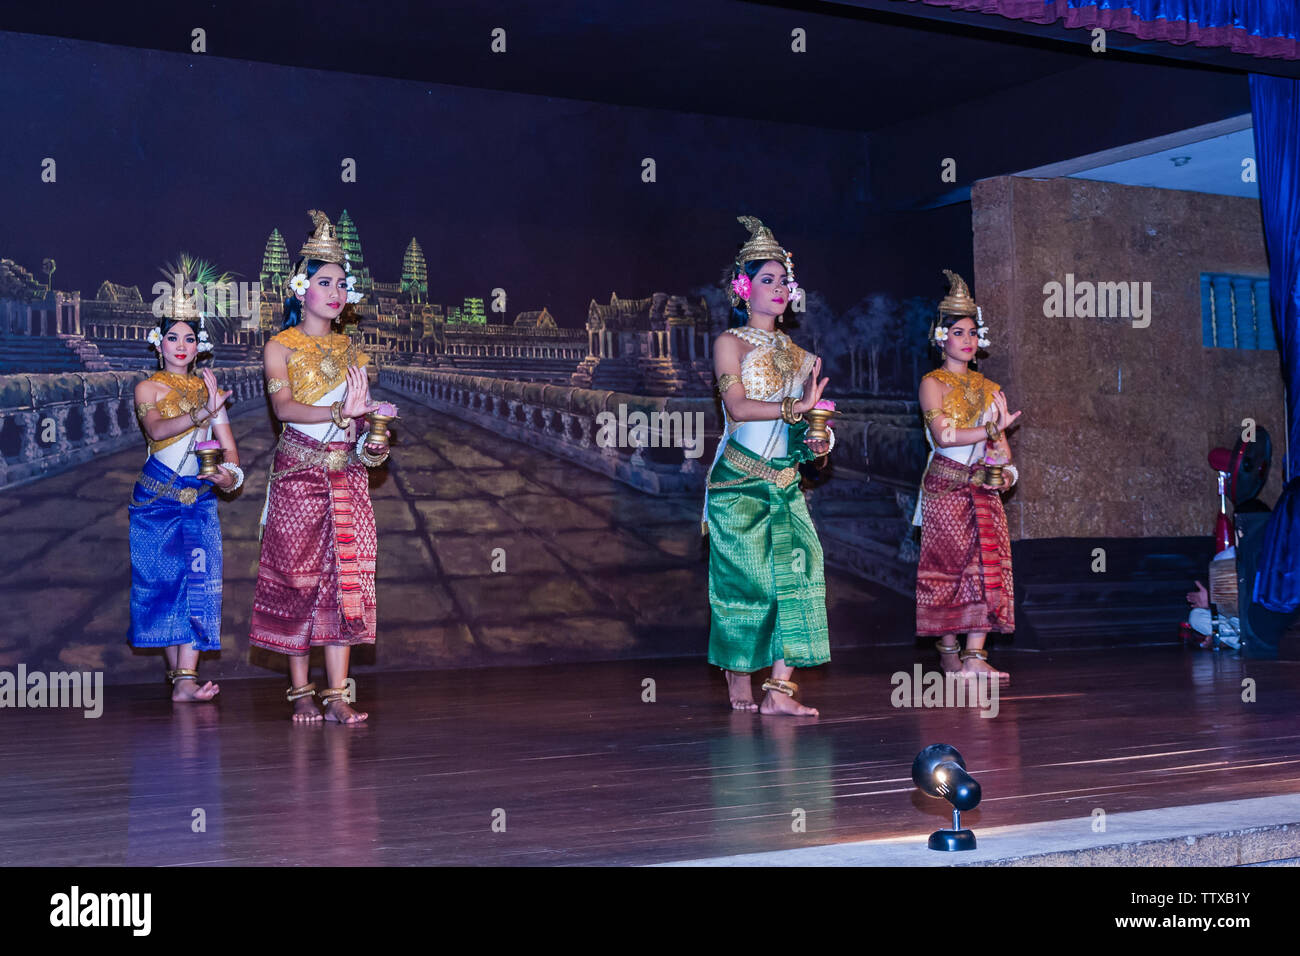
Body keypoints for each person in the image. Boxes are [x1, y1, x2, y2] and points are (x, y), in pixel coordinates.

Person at [249, 210, 387, 724]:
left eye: (342, 284)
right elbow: (284, 409)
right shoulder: (279, 347)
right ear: (300, 287)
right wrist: (340, 413)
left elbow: (359, 426)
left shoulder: (353, 350)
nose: (336, 293)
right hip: (298, 476)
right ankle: (300, 691)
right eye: (325, 282)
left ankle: (338, 696)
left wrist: (373, 442)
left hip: (345, 476)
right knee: (296, 580)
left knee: (343, 581)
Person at [704, 216, 833, 717]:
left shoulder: (803, 358)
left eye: (784, 281)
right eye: (767, 280)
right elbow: (736, 407)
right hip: (739, 483)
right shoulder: (728, 344)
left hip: (784, 483)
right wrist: (794, 410)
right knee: (748, 584)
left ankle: (779, 692)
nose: (779, 289)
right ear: (743, 287)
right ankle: (740, 679)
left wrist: (819, 437)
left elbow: (802, 438)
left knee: (802, 576)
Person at [130, 288, 242, 701]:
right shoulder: (148, 389)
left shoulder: (209, 392)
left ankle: (187, 680)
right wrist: (204, 411)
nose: (181, 346)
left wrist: (230, 477)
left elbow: (230, 452)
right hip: (156, 498)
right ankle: (178, 678)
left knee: (199, 581)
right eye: (173, 337)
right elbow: (157, 430)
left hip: (198, 497)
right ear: (159, 344)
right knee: (163, 584)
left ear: (200, 348)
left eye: (190, 339)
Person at [913, 270, 1020, 685]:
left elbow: (1000, 451)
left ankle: (976, 654)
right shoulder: (932, 384)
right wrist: (994, 429)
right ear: (942, 338)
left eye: (973, 333)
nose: (967, 340)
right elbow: (944, 435)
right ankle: (948, 650)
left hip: (980, 485)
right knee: (949, 569)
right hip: (945, 485)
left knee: (985, 567)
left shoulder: (989, 386)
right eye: (958, 332)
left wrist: (1005, 475)